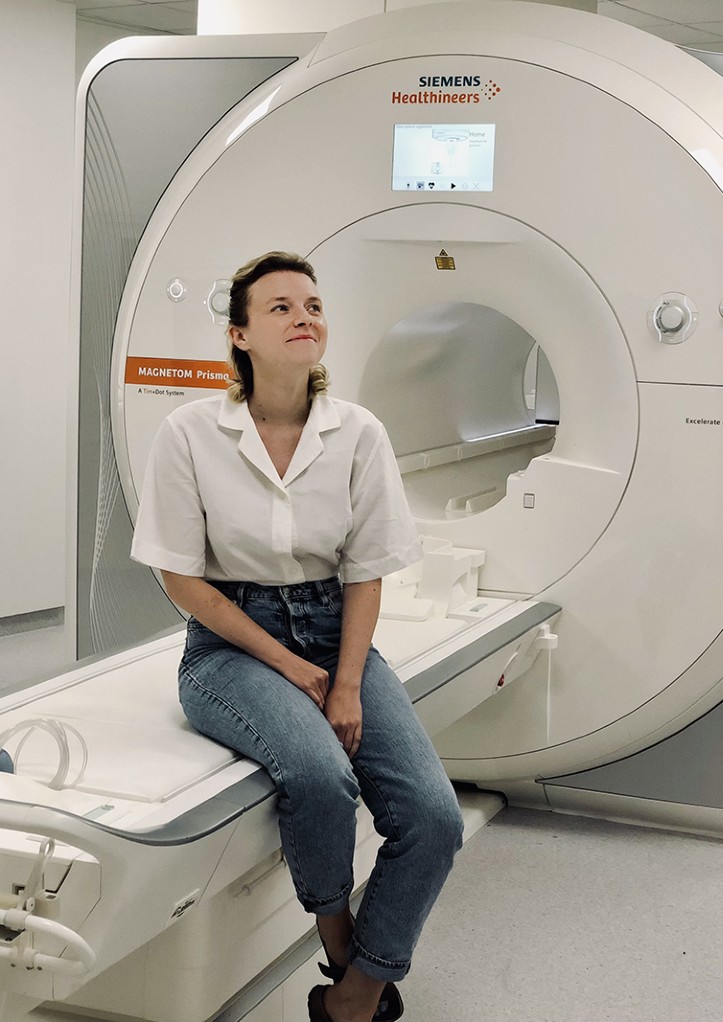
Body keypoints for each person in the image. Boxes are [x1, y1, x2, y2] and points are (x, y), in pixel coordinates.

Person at [131, 251, 464, 1022]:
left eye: (312, 305)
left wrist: (344, 681)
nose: (302, 317)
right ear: (239, 334)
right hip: (230, 648)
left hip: (334, 630)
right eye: (279, 307)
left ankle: (356, 990)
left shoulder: (357, 433)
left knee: (433, 818)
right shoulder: (189, 432)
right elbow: (182, 580)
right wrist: (287, 664)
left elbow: (366, 568)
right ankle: (341, 941)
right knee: (320, 778)